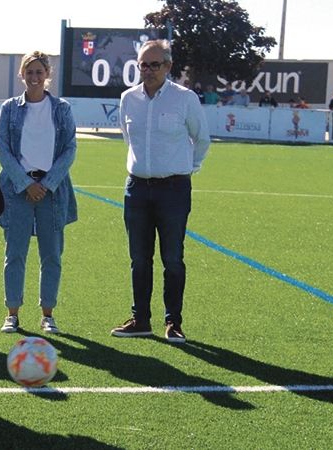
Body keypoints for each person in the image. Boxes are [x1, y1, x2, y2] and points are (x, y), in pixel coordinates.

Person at [111, 39, 210, 344]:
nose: (149, 70)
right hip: (137, 189)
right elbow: (129, 139)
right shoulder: (128, 99)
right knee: (139, 259)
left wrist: (184, 169)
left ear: (168, 66)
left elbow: (202, 139)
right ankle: (140, 319)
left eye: (155, 64)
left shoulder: (185, 99)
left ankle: (173, 322)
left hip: (173, 190)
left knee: (173, 259)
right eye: (143, 64)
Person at [0, 51, 77, 335]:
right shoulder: (9, 108)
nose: (34, 77)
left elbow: (69, 149)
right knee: (15, 253)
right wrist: (25, 183)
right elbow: (3, 150)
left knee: (51, 254)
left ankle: (47, 314)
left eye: (39, 72)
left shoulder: (61, 108)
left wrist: (49, 182)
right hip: (18, 190)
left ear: (47, 75)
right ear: (22, 74)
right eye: (29, 72)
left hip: (51, 192)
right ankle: (12, 313)